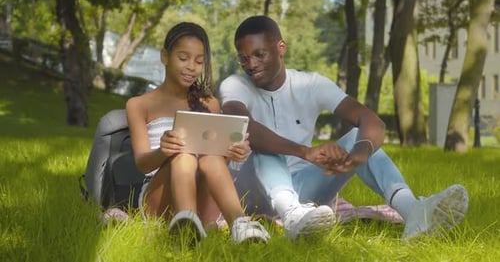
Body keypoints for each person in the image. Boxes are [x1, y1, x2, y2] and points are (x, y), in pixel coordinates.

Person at [219, 15, 469, 241]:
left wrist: (360, 154)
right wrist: (305, 152)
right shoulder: (234, 85)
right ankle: (292, 216)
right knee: (263, 144)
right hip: (251, 191)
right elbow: (243, 126)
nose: (250, 64)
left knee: (357, 138)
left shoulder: (310, 84)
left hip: (302, 188)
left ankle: (413, 212)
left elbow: (371, 121)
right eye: (243, 58)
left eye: (259, 54)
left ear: (280, 48)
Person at [126, 22, 270, 244]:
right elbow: (143, 164)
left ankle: (240, 225)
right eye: (183, 58)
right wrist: (163, 151)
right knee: (182, 154)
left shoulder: (210, 103)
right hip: (159, 200)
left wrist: (234, 153)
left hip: (203, 200)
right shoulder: (139, 105)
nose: (191, 67)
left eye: (199, 61)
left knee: (211, 157)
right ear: (165, 56)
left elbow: (215, 164)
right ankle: (186, 221)